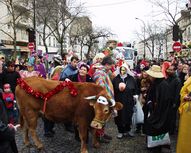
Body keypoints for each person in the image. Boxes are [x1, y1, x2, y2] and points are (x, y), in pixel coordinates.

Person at [144, 65, 172, 153]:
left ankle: (156, 147)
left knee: (156, 129)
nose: (149, 76)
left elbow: (163, 102)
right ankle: (153, 145)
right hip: (155, 111)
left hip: (159, 113)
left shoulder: (163, 85)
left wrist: (152, 105)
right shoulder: (156, 83)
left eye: (150, 75)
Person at [66, 63, 93, 141]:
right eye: (81, 69)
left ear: (87, 72)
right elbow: (64, 79)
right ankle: (77, 135)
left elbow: (93, 86)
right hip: (76, 101)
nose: (82, 71)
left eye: (84, 70)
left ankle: (85, 136)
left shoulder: (89, 78)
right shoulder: (73, 77)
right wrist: (67, 80)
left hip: (85, 102)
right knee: (76, 118)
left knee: (86, 119)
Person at [112, 62, 138, 139]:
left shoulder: (131, 79)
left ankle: (127, 130)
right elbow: (112, 90)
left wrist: (135, 95)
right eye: (121, 70)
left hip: (129, 101)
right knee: (118, 116)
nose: (122, 71)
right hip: (118, 101)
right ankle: (120, 131)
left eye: (124, 70)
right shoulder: (116, 79)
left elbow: (135, 89)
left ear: (127, 70)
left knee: (128, 115)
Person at [92, 56, 115, 143]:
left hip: (105, 99)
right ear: (106, 65)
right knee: (100, 118)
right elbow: (101, 87)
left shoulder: (104, 72)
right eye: (110, 66)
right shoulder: (99, 74)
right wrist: (106, 97)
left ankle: (102, 133)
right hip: (102, 100)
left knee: (104, 118)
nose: (111, 68)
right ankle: (98, 136)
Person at [176, 75, 191, 153]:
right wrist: (185, 97)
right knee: (185, 135)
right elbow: (183, 92)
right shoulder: (189, 80)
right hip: (187, 111)